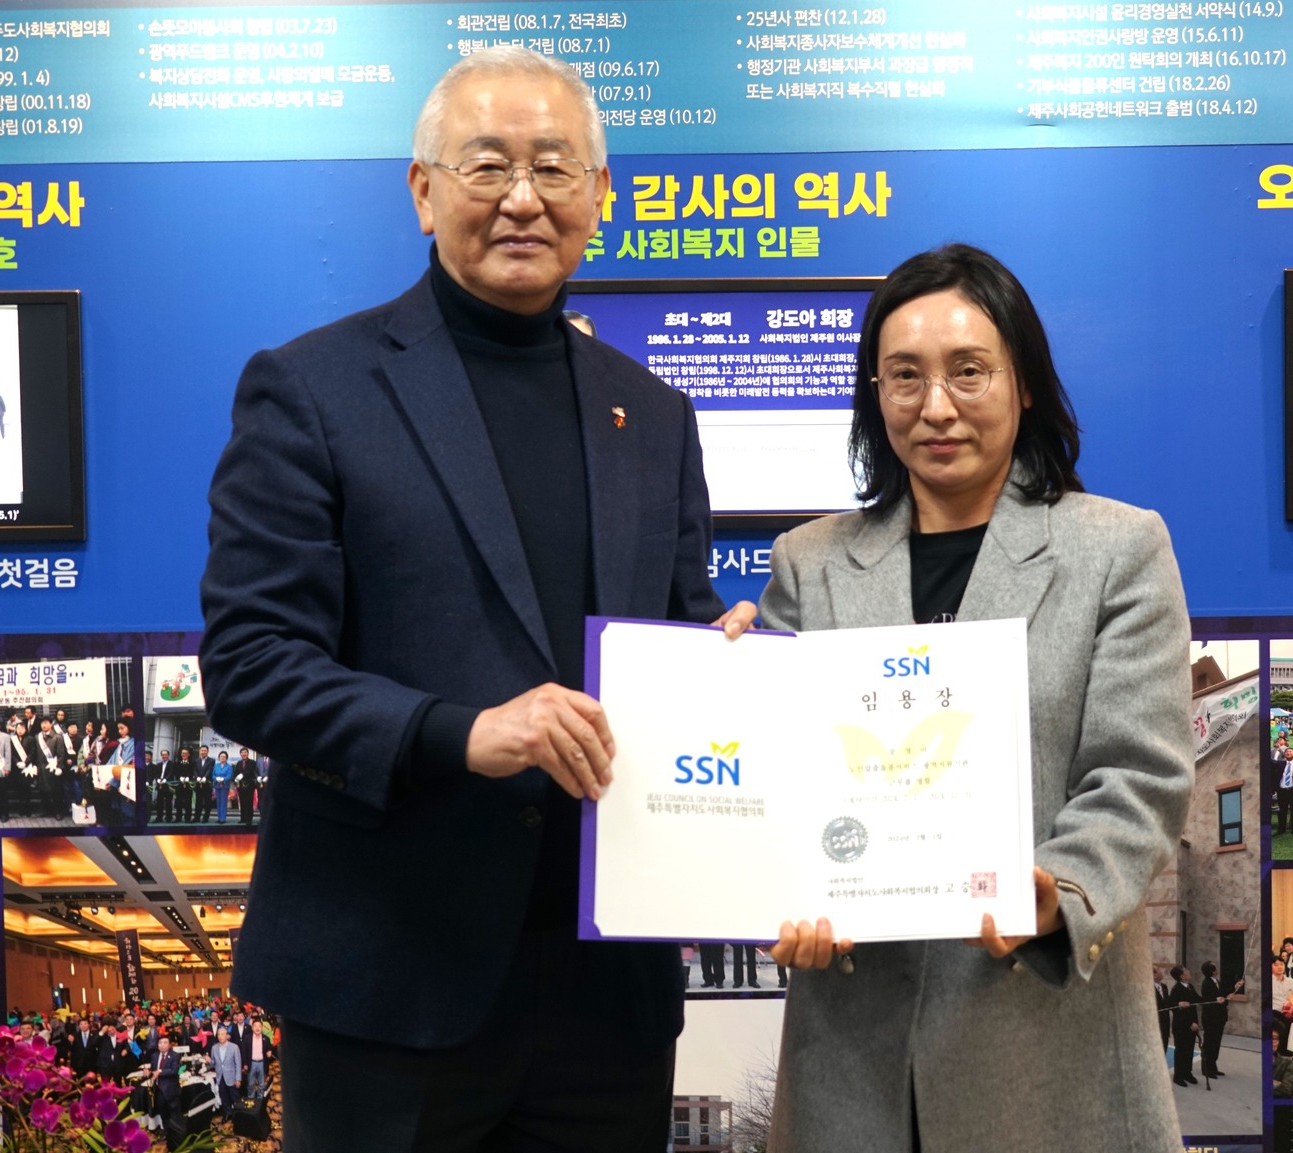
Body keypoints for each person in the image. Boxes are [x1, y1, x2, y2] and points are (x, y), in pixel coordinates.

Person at [198, 45, 755, 1153]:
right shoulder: (312, 387)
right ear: (423, 192)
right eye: (486, 164)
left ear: (600, 195)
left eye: (553, 167)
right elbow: (251, 664)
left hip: (607, 995)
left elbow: (678, 621)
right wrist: (460, 732)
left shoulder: (654, 413)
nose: (521, 197)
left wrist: (721, 663)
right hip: (384, 983)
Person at [760, 245, 1190, 1151]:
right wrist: (721, 676)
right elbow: (775, 783)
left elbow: (1139, 776)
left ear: (1023, 382)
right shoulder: (808, 563)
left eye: (968, 370)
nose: (937, 406)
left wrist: (1056, 892)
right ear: (875, 394)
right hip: (853, 1066)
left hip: (1046, 1048)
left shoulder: (1118, 549)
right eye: (904, 376)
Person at [1197, 961, 1242, 1080]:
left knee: (1216, 1043)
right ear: (1212, 971)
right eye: (1215, 967)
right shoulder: (1206, 983)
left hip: (1219, 1017)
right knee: (1209, 1044)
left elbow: (1223, 992)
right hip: (1211, 1018)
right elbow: (1208, 1000)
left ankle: (1213, 1067)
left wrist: (1235, 987)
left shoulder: (1216, 981)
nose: (1217, 968)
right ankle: (1207, 1069)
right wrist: (1218, 1000)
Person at [1163, 966, 1200, 1086]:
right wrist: (1190, 1023)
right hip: (1181, 1026)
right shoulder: (1177, 989)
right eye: (1186, 971)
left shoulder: (1190, 987)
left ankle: (1187, 1073)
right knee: (1181, 1051)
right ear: (1182, 976)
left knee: (1189, 1050)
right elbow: (1174, 1007)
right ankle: (1178, 1076)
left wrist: (1217, 999)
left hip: (1193, 1024)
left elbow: (1198, 1000)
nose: (1189, 971)